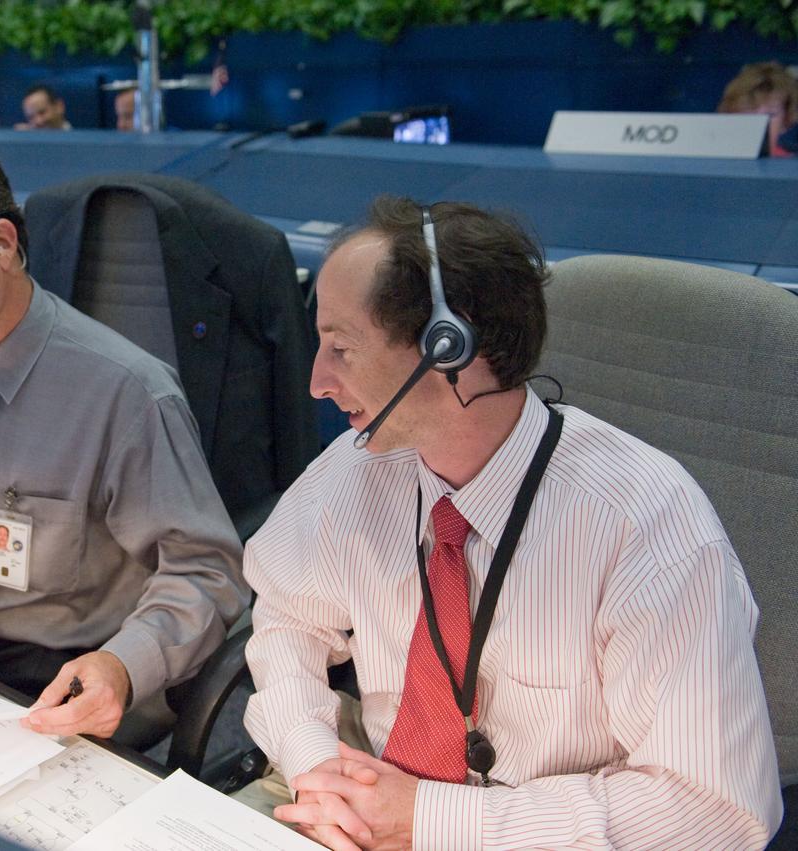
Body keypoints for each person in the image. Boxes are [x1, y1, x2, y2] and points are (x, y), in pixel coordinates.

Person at [239, 195, 782, 849]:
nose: (317, 382)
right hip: (362, 807)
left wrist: (430, 820)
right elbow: (287, 619)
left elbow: (711, 808)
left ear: (448, 346)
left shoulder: (643, 524)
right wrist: (317, 765)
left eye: (342, 348)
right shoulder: (359, 469)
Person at [0, 133, 247, 744]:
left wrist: (123, 666)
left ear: (2, 244)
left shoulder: (126, 393)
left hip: (65, 678)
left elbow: (207, 573)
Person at [718, 61, 798, 158]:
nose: (760, 121)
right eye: (750, 111)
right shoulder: (709, 159)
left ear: (786, 121)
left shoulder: (790, 164)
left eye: (770, 114)